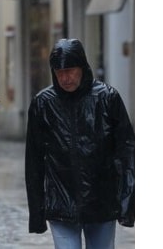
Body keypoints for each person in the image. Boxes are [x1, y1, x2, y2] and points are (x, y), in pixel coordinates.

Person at [25, 38, 134, 249]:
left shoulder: (107, 98)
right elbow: (34, 161)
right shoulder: (43, 103)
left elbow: (126, 151)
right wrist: (37, 213)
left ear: (82, 67)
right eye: (59, 72)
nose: (65, 78)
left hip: (101, 200)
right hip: (61, 202)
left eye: (70, 70)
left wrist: (127, 201)